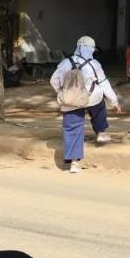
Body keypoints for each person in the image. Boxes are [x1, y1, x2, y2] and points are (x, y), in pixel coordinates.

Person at [50, 36, 122, 174]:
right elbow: (104, 84)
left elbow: (54, 80)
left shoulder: (65, 63)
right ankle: (101, 132)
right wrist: (114, 102)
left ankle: (74, 163)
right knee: (99, 105)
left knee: (72, 128)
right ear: (91, 50)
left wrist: (63, 92)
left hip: (71, 101)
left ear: (78, 47)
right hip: (91, 98)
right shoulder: (94, 64)